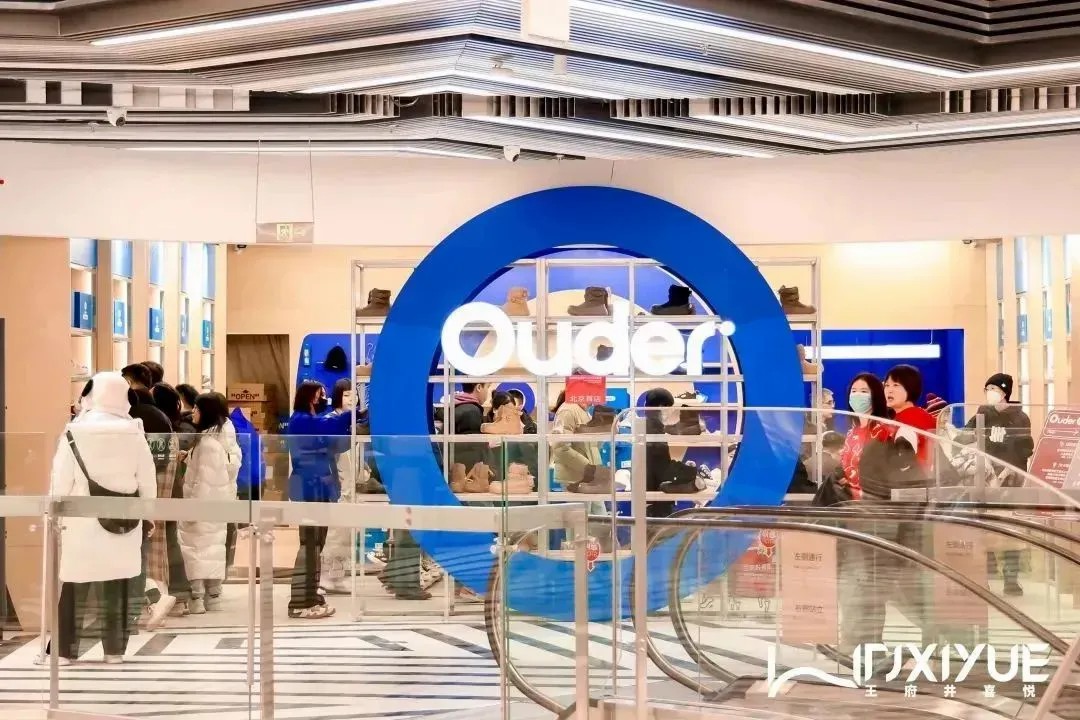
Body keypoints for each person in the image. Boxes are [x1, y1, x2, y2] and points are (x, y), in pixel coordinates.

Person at [44, 372, 157, 665]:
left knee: (75, 584)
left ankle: (64, 651)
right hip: (124, 520)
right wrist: (149, 516)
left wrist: (53, 511)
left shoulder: (75, 431)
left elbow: (60, 480)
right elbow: (147, 479)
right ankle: (114, 652)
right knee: (117, 586)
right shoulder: (133, 431)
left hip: (82, 520)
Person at [960, 373, 1034, 596]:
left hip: (1010, 481)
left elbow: (1025, 449)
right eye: (987, 389)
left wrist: (1006, 445)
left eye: (994, 389)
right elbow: (965, 435)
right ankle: (987, 573)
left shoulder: (1020, 417)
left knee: (1010, 530)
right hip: (984, 479)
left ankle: (1011, 578)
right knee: (984, 526)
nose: (990, 393)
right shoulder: (983, 412)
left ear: (1005, 392)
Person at [286, 381, 352, 618]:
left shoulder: (310, 420)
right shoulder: (302, 420)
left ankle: (310, 594)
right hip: (310, 488)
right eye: (319, 395)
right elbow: (328, 428)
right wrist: (351, 415)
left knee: (316, 544)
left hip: (319, 487)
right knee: (310, 544)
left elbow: (334, 442)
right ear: (311, 398)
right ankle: (300, 601)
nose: (323, 399)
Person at [178, 392, 241, 615]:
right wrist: (189, 456)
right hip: (220, 504)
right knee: (213, 549)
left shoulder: (207, 444)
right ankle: (213, 595)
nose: (193, 412)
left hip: (202, 506)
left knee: (196, 549)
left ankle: (197, 597)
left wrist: (192, 510)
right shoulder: (223, 438)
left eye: (197, 408)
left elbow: (204, 480)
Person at [153, 383, 197, 617]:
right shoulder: (175, 426)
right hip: (173, 491)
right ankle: (178, 595)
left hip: (167, 493)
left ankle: (178, 595)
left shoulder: (173, 429)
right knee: (170, 540)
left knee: (169, 542)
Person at [320, 379, 357, 595]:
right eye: (346, 395)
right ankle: (325, 576)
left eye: (354, 394)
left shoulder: (352, 424)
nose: (351, 399)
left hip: (350, 487)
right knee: (334, 533)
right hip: (336, 488)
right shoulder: (330, 422)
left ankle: (337, 577)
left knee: (346, 534)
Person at [838, 373, 891, 500]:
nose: (857, 395)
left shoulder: (883, 431)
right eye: (853, 391)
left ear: (876, 396)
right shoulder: (851, 433)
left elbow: (882, 472)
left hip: (871, 501)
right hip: (847, 500)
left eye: (863, 391)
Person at [882, 364, 937, 470]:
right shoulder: (902, 418)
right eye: (887, 385)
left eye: (896, 385)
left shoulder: (915, 418)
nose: (889, 390)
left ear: (911, 388)